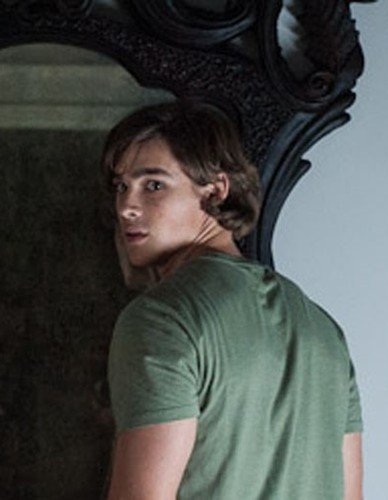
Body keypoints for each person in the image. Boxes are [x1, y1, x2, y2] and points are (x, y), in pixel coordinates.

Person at [102, 101, 364, 499]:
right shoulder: (324, 331)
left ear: (216, 190)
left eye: (153, 185)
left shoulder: (162, 319)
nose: (126, 207)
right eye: (121, 186)